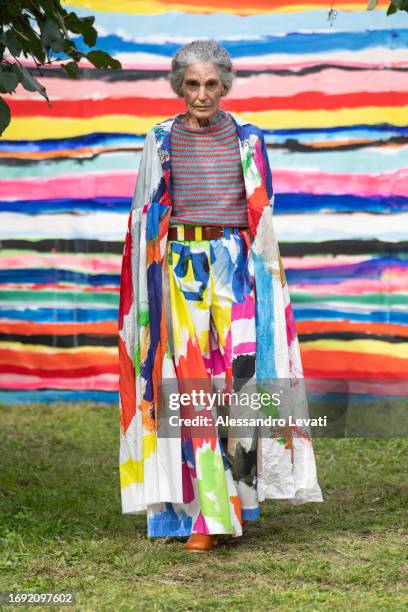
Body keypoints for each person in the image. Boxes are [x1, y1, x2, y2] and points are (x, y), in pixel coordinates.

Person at [118, 39, 323, 553]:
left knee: (239, 386)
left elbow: (263, 218)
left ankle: (237, 499)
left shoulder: (249, 141)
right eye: (192, 84)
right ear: (178, 86)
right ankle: (203, 515)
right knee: (186, 386)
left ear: (225, 86)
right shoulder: (159, 139)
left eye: (211, 84)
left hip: (237, 273)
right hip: (180, 272)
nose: (202, 94)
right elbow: (144, 217)